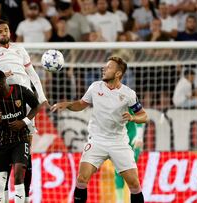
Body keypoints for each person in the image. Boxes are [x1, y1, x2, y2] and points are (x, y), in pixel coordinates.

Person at [51, 56, 147, 203]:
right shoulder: (95, 87)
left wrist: (133, 118)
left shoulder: (128, 94)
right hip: (97, 141)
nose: (104, 69)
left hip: (118, 143)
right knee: (82, 179)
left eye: (108, 67)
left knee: (134, 184)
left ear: (118, 74)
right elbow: (81, 104)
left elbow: (144, 116)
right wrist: (68, 104)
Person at [0, 20, 48, 202]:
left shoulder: (20, 49)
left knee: (24, 155)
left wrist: (41, 97)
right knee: (5, 156)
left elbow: (33, 75)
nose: (3, 33)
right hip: (5, 102)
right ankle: (5, 196)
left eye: (6, 29)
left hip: (25, 101)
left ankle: (23, 197)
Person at [0, 70, 40, 203]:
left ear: (0, 85)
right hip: (0, 141)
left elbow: (36, 106)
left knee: (19, 175)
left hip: (20, 139)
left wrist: (23, 122)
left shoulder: (21, 91)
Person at [115, 109, 144, 203]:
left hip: (133, 141)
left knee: (130, 172)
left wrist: (139, 136)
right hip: (118, 142)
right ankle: (120, 201)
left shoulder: (130, 101)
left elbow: (140, 117)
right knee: (118, 171)